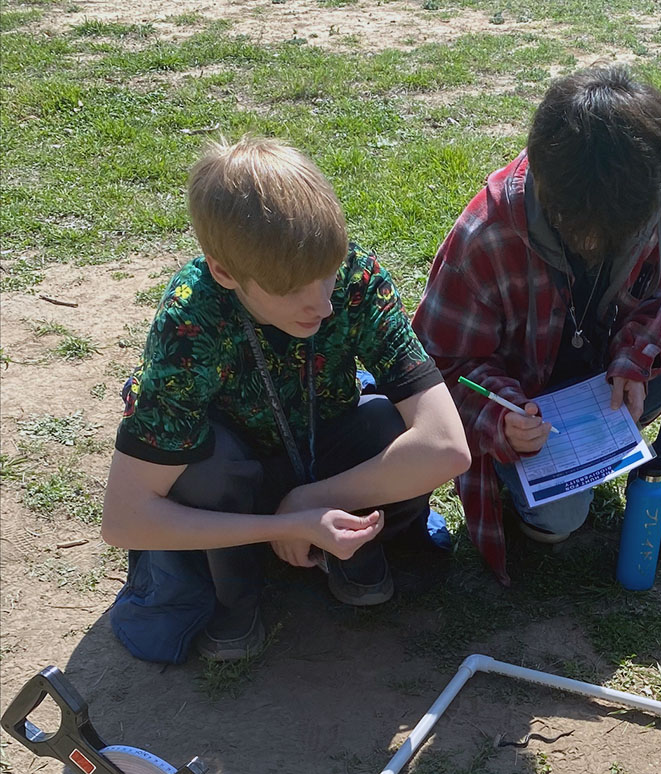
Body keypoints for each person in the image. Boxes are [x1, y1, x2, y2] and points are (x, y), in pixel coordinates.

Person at [101, 136, 471, 662]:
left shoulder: (355, 279)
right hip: (236, 487)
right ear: (224, 272)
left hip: (323, 455)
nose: (320, 303)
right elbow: (124, 518)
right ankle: (238, 594)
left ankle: (351, 555)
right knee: (206, 466)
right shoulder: (192, 318)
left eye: (326, 275)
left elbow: (447, 447)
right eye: (291, 288)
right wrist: (284, 524)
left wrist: (310, 499)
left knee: (390, 425)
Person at [412, 66, 661, 585]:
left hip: (612, 382)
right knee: (561, 520)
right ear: (547, 191)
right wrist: (502, 420)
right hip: (530, 407)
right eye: (581, 232)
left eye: (620, 234)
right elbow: (439, 366)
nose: (595, 246)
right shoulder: (485, 236)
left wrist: (636, 359)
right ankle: (521, 480)